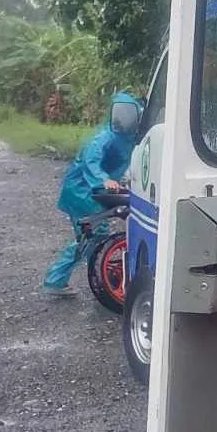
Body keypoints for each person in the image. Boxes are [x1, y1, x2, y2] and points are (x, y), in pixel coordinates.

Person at [41, 91, 143, 295]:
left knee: (92, 238)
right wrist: (103, 179)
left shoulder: (126, 137)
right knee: (92, 235)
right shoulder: (104, 137)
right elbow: (91, 161)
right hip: (81, 191)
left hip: (90, 190)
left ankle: (99, 275)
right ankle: (56, 280)